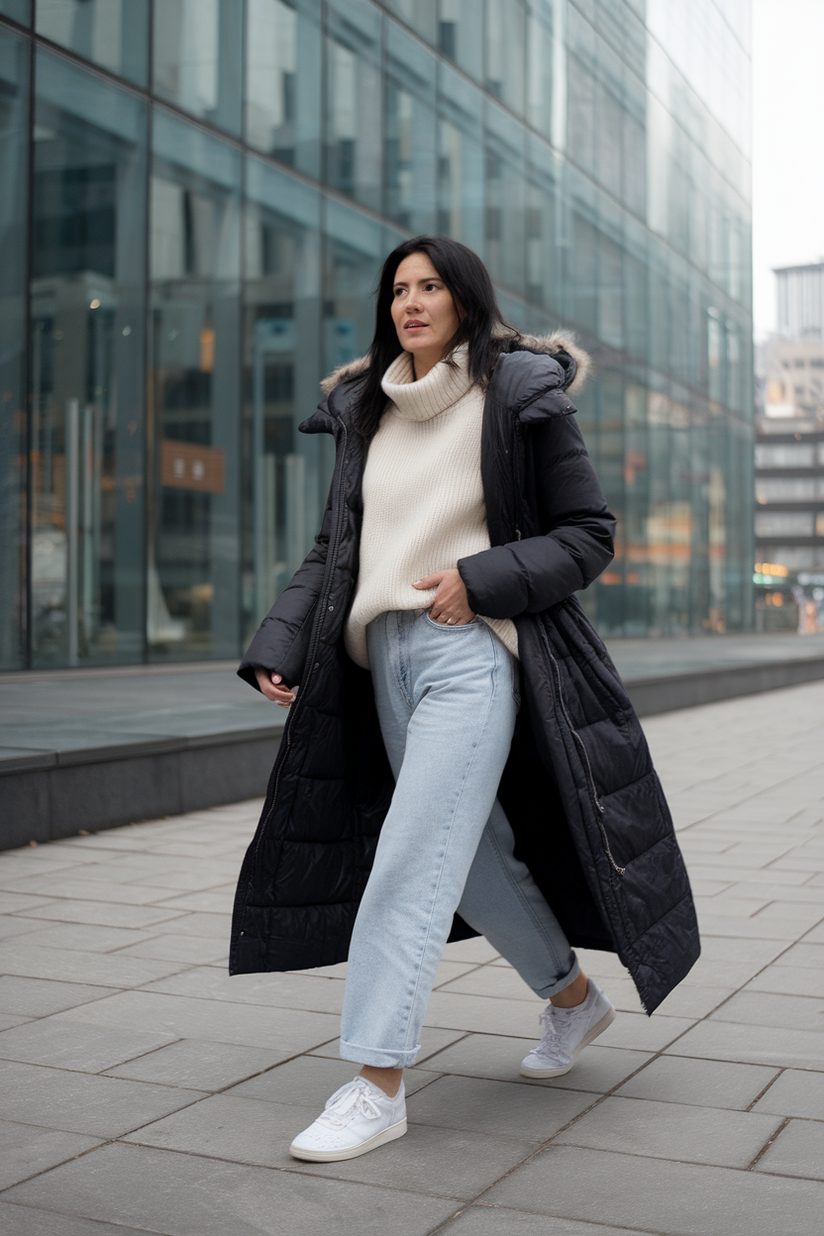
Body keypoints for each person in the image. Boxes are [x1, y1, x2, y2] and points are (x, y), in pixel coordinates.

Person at [232, 236, 699, 1163]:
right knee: (476, 854)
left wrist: (480, 580)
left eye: (430, 286)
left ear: (465, 299)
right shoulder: (367, 411)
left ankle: (375, 1082)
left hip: (470, 653)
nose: (410, 302)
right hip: (382, 663)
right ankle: (572, 999)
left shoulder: (517, 394)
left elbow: (589, 535)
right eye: (398, 289)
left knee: (408, 858)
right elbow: (337, 552)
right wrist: (279, 641)